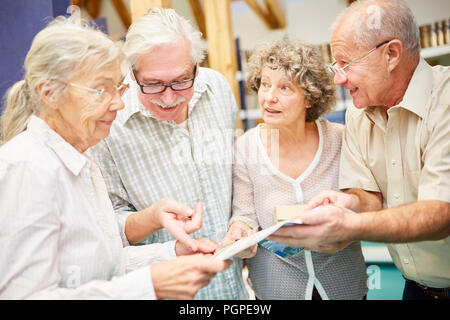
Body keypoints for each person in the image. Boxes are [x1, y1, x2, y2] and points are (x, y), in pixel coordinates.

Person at [0, 15, 231, 299]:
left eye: (116, 88)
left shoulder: (81, 163)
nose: (119, 103)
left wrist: (171, 252)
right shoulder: (26, 168)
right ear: (50, 94)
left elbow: (106, 264)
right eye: (101, 90)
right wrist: (149, 286)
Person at [270, 0, 450, 300]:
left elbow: (440, 213)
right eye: (335, 65)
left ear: (391, 54)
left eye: (346, 63)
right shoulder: (359, 113)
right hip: (416, 289)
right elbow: (369, 197)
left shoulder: (444, 100)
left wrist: (348, 226)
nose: (338, 77)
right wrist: (347, 203)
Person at [87, 8, 248, 299]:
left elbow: (237, 178)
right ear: (133, 73)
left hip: (234, 290)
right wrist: (151, 217)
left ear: (196, 66)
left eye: (182, 80)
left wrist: (242, 222)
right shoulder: (108, 126)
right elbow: (106, 230)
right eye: (154, 84)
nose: (169, 97)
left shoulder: (219, 90)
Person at [222, 38, 368, 300]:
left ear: (309, 98)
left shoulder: (341, 139)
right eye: (265, 84)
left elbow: (365, 203)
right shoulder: (245, 148)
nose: (269, 97)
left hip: (344, 286)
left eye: (285, 88)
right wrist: (239, 232)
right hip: (276, 290)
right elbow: (243, 215)